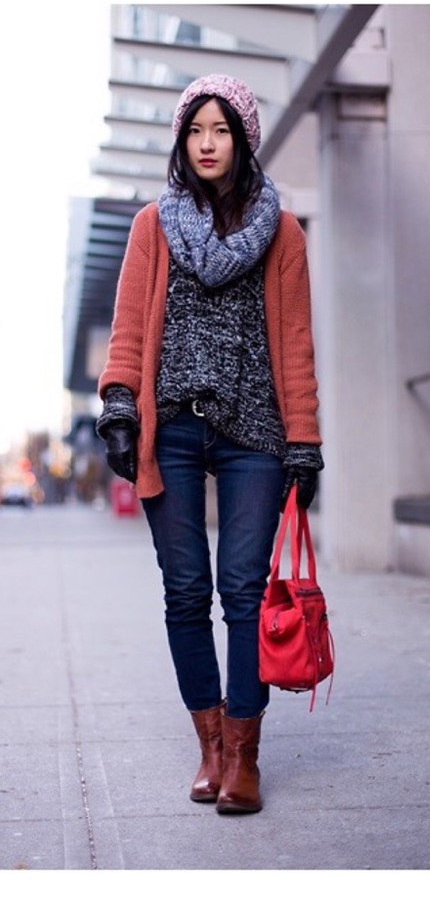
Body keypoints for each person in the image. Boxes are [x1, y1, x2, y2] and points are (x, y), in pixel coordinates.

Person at [97, 74, 323, 815]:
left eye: (221, 129)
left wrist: (304, 442)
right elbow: (129, 327)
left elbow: (294, 343)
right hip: (175, 428)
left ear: (244, 140)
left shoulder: (281, 232)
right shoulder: (151, 226)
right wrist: (121, 407)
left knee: (245, 593)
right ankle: (212, 749)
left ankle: (247, 756)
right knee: (186, 591)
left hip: (254, 431)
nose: (206, 143)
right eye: (195, 129)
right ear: (180, 140)